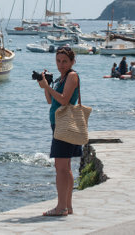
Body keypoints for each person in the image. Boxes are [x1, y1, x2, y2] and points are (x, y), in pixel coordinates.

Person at [37, 46, 80, 217]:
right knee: (65, 167)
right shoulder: (61, 78)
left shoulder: (72, 76)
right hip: (59, 125)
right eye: (58, 61)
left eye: (64, 61)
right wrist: (45, 85)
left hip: (65, 125)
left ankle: (61, 207)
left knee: (60, 168)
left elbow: (63, 101)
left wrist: (48, 86)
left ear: (72, 62)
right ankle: (67, 206)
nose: (61, 65)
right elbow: (50, 101)